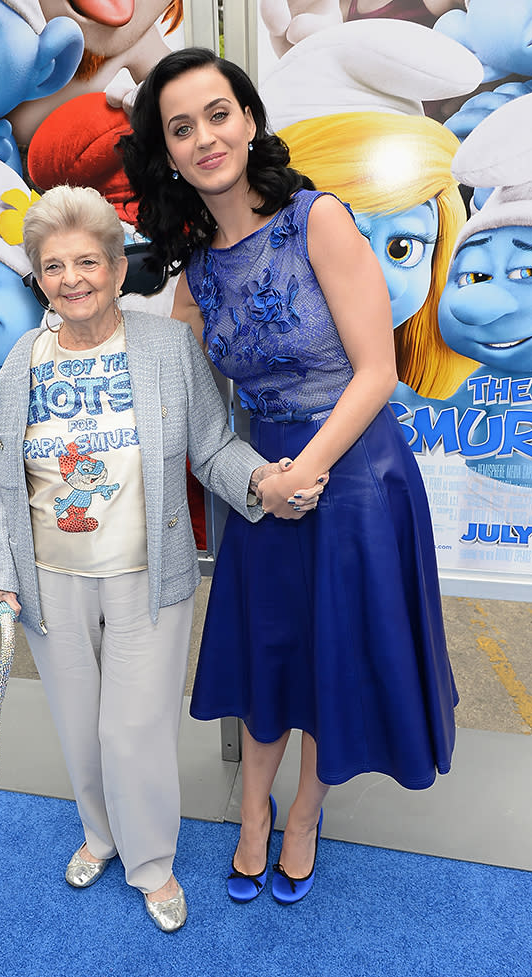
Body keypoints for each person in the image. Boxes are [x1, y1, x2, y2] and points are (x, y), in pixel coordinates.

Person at [120, 47, 457, 906]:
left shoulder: (320, 220)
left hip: (352, 474)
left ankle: (305, 812)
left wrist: (299, 475)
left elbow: (378, 370)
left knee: (334, 652)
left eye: (218, 114)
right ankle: (253, 815)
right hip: (261, 481)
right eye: (181, 127)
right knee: (270, 651)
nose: (205, 138)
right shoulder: (193, 268)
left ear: (251, 119)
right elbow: (189, 395)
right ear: (165, 153)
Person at [0, 184, 324, 931]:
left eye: (88, 261)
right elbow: (3, 477)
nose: (73, 279)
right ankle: (101, 836)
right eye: (54, 265)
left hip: (144, 575)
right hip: (49, 582)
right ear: (38, 277)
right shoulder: (21, 361)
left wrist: (261, 481)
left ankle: (151, 863)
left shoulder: (164, 346)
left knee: (131, 730)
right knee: (79, 726)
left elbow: (213, 446)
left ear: (115, 266)